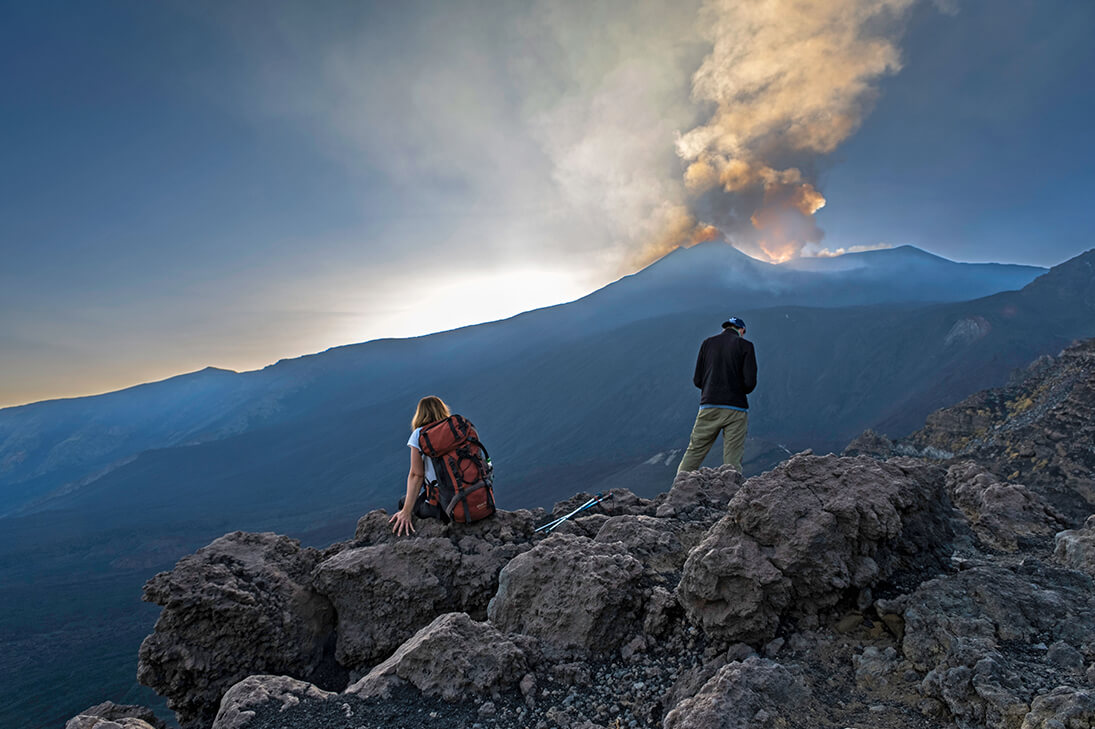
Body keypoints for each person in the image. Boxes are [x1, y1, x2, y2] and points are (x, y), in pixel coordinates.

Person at [677, 316, 757, 473]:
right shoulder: (746, 345)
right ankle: (733, 494)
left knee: (694, 452)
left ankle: (678, 490)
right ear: (741, 330)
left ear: (725, 328)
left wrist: (711, 390)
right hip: (736, 407)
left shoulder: (707, 343)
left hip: (709, 405)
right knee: (732, 459)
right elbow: (749, 383)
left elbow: (697, 380)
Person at [390, 395, 451, 536]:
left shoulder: (419, 435)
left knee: (403, 502)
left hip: (443, 507)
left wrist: (406, 512)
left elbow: (417, 475)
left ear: (420, 414)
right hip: (468, 498)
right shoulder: (457, 430)